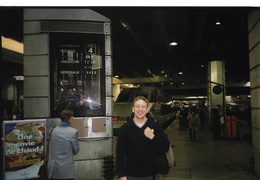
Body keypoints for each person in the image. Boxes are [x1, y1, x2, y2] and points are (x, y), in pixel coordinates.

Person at [116, 96, 170, 180]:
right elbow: (120, 153)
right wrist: (121, 174)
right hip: (131, 174)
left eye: (143, 107)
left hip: (151, 174)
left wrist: (152, 137)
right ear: (133, 109)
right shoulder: (125, 128)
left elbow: (165, 146)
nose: (140, 109)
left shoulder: (155, 126)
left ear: (147, 110)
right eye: (137, 106)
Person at [47, 109, 80, 180]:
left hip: (53, 168)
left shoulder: (52, 130)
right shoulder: (73, 132)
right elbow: (76, 150)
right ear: (70, 118)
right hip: (66, 170)